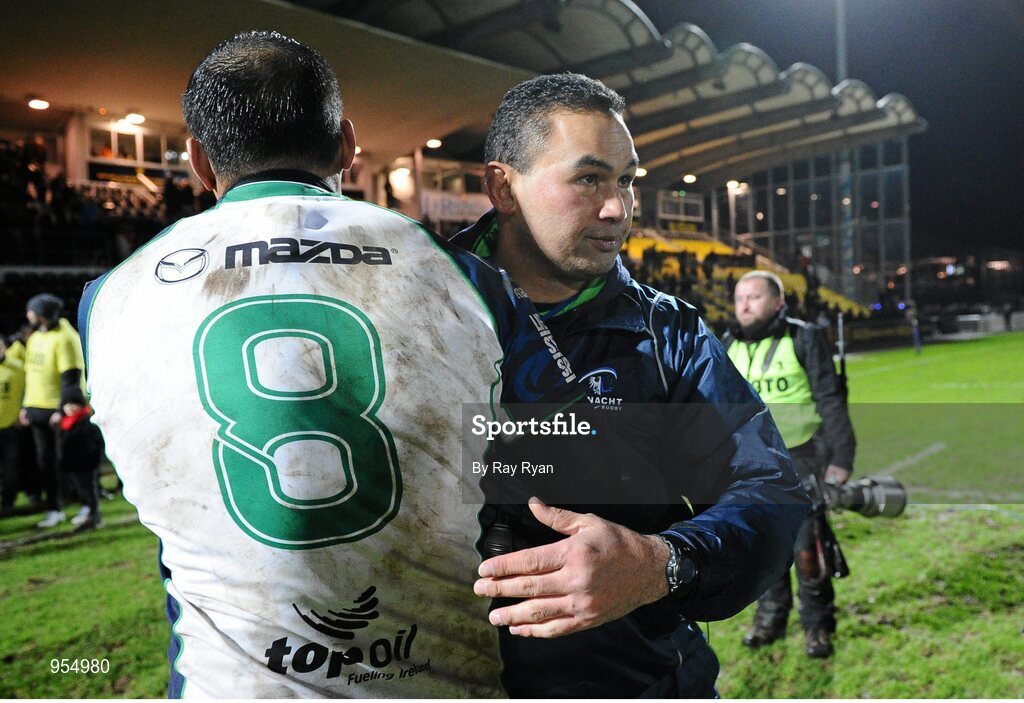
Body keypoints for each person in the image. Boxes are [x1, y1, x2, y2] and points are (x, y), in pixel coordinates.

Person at [79, 31, 575, 698]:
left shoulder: (111, 295)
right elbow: (555, 461)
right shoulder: (466, 278)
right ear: (346, 144)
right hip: (439, 677)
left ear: (198, 161)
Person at [451, 73, 809, 697]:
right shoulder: (409, 306)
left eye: (626, 180)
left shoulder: (667, 334)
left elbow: (770, 490)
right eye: (589, 178)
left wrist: (659, 566)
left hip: (638, 680)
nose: (617, 207)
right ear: (501, 187)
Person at [724, 270, 856, 658]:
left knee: (806, 548)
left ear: (778, 302)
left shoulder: (804, 337)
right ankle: (771, 618)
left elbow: (831, 399)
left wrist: (842, 456)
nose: (744, 305)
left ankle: (817, 625)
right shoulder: (727, 342)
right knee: (763, 548)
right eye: (739, 298)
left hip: (802, 457)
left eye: (754, 297)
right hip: (749, 462)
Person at [19, 293, 86, 528]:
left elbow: (70, 378)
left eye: (32, 311)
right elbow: (31, 375)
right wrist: (25, 406)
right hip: (36, 410)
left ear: (42, 314)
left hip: (56, 412)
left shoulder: (66, 338)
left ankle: (87, 506)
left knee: (69, 461)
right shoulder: (36, 337)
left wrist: (60, 409)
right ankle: (55, 509)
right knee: (45, 463)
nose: (28, 315)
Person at [55, 387, 103, 530]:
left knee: (89, 489)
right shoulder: (64, 423)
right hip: (72, 464)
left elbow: (95, 444)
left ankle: (93, 513)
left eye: (73, 404)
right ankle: (85, 509)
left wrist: (93, 461)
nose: (69, 408)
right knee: (80, 489)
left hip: (86, 464)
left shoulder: (86, 422)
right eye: (66, 405)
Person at [0, 336, 26, 516]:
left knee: (10, 467)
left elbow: (28, 390)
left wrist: (22, 410)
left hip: (10, 426)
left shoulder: (17, 367)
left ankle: (8, 503)